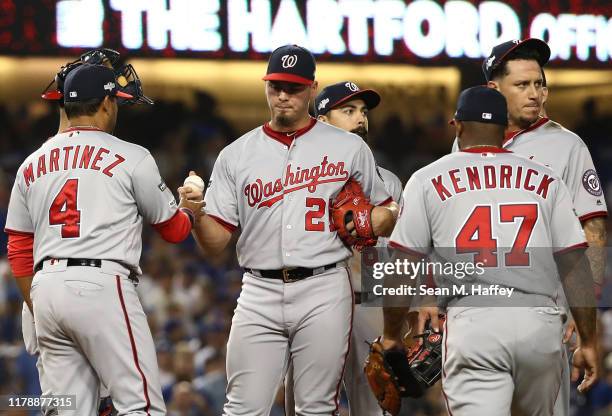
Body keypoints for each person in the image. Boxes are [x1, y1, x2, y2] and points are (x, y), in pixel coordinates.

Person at [180, 44, 398, 415]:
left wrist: (381, 218)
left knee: (315, 407)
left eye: (293, 87)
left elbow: (385, 210)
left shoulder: (348, 148)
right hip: (258, 290)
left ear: (312, 89)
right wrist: (197, 214)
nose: (283, 95)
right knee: (242, 407)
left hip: (324, 285)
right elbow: (215, 243)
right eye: (275, 85)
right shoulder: (236, 153)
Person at [386, 85, 599, 415]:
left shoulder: (427, 178)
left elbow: (402, 261)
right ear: (505, 129)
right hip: (539, 323)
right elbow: (574, 261)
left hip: (474, 322)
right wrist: (588, 340)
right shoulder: (547, 178)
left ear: (457, 125)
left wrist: (390, 335)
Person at [5, 63, 203, 415]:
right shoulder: (132, 156)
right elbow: (174, 231)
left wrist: (42, 309)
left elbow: (19, 251)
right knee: (140, 405)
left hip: (45, 288)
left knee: (67, 409)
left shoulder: (31, 163)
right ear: (108, 103)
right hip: (101, 285)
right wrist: (188, 207)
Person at [452, 38, 607, 415]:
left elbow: (595, 233)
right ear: (494, 89)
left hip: (544, 311)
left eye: (539, 84)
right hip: (476, 310)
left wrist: (582, 305)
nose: (535, 94)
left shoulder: (567, 145)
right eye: (522, 85)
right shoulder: (464, 146)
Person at [285, 81, 404, 415]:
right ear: (322, 121)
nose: (360, 119)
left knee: (376, 407)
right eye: (348, 111)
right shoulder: (297, 179)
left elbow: (397, 255)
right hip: (313, 299)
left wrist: (403, 314)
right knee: (305, 405)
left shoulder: (389, 183)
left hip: (369, 304)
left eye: (363, 112)